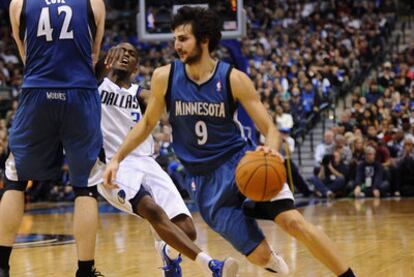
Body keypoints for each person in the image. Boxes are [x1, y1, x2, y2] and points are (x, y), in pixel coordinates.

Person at [104, 6, 356, 277]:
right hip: (206, 183)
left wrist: (268, 151)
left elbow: (270, 127)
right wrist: (117, 158)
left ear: (204, 40)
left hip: (241, 163)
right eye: (175, 38)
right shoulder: (164, 77)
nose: (177, 45)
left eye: (183, 39)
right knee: (260, 257)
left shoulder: (233, 79)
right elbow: (146, 124)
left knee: (292, 221)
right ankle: (271, 256)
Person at [93, 42, 239, 277]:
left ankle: (169, 256)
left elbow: (165, 102)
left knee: (186, 230)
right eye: (120, 50)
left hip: (146, 162)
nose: (125, 55)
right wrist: (104, 62)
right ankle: (212, 266)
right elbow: (89, 75)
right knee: (152, 210)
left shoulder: (139, 94)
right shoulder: (95, 86)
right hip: (113, 165)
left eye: (131, 53)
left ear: (136, 66)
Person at [1, 0, 105, 276]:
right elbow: (93, 57)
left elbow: (25, 56)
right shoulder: (94, 3)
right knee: (86, 186)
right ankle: (85, 271)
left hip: (37, 90)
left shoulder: (18, 3)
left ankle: (1, 266)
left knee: (15, 180)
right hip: (80, 92)